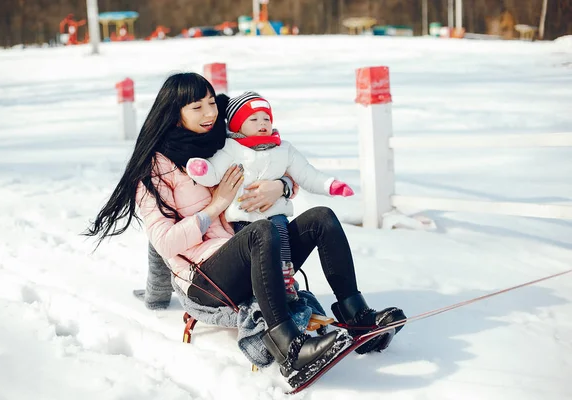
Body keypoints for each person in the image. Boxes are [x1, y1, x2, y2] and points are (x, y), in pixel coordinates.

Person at [84, 72, 406, 386]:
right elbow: (164, 244)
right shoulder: (153, 173)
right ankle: (289, 349)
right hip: (206, 279)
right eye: (197, 108)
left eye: (211, 103)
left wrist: (280, 187)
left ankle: (357, 317)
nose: (210, 114)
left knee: (321, 217)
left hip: (251, 255)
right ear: (174, 114)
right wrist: (215, 207)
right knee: (262, 231)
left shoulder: (218, 142)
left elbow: (274, 162)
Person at [185, 91, 354, 302]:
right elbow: (215, 173)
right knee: (256, 247)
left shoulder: (283, 149)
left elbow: (306, 174)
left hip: (275, 213)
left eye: (266, 118)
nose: (262, 123)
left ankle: (284, 280)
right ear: (237, 126)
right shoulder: (231, 149)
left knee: (280, 237)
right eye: (253, 119)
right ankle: (263, 286)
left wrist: (331, 185)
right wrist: (201, 169)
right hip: (244, 219)